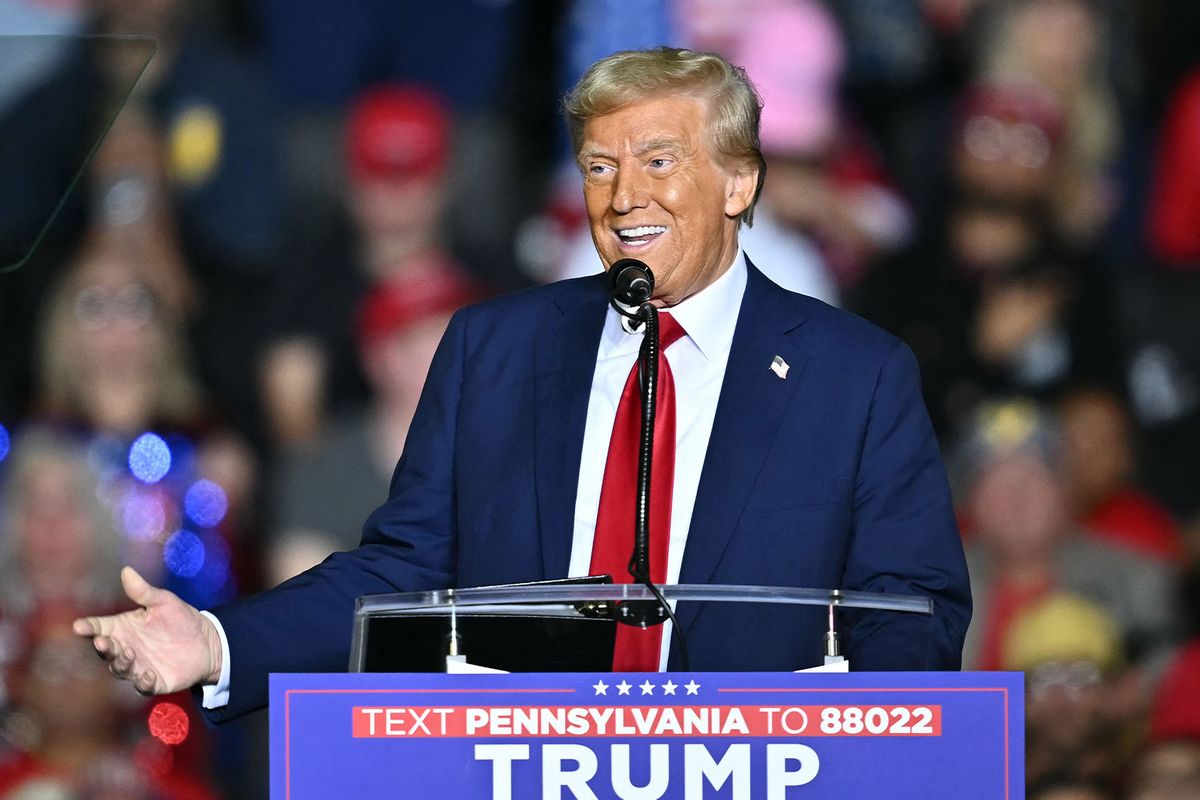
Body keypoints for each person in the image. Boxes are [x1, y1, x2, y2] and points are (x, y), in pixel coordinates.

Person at [74, 48, 971, 722]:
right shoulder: (494, 349)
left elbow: (909, 615)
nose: (624, 199)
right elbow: (405, 576)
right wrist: (221, 641)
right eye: (599, 166)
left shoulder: (854, 376)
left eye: (659, 161)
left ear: (739, 181)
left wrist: (849, 743)